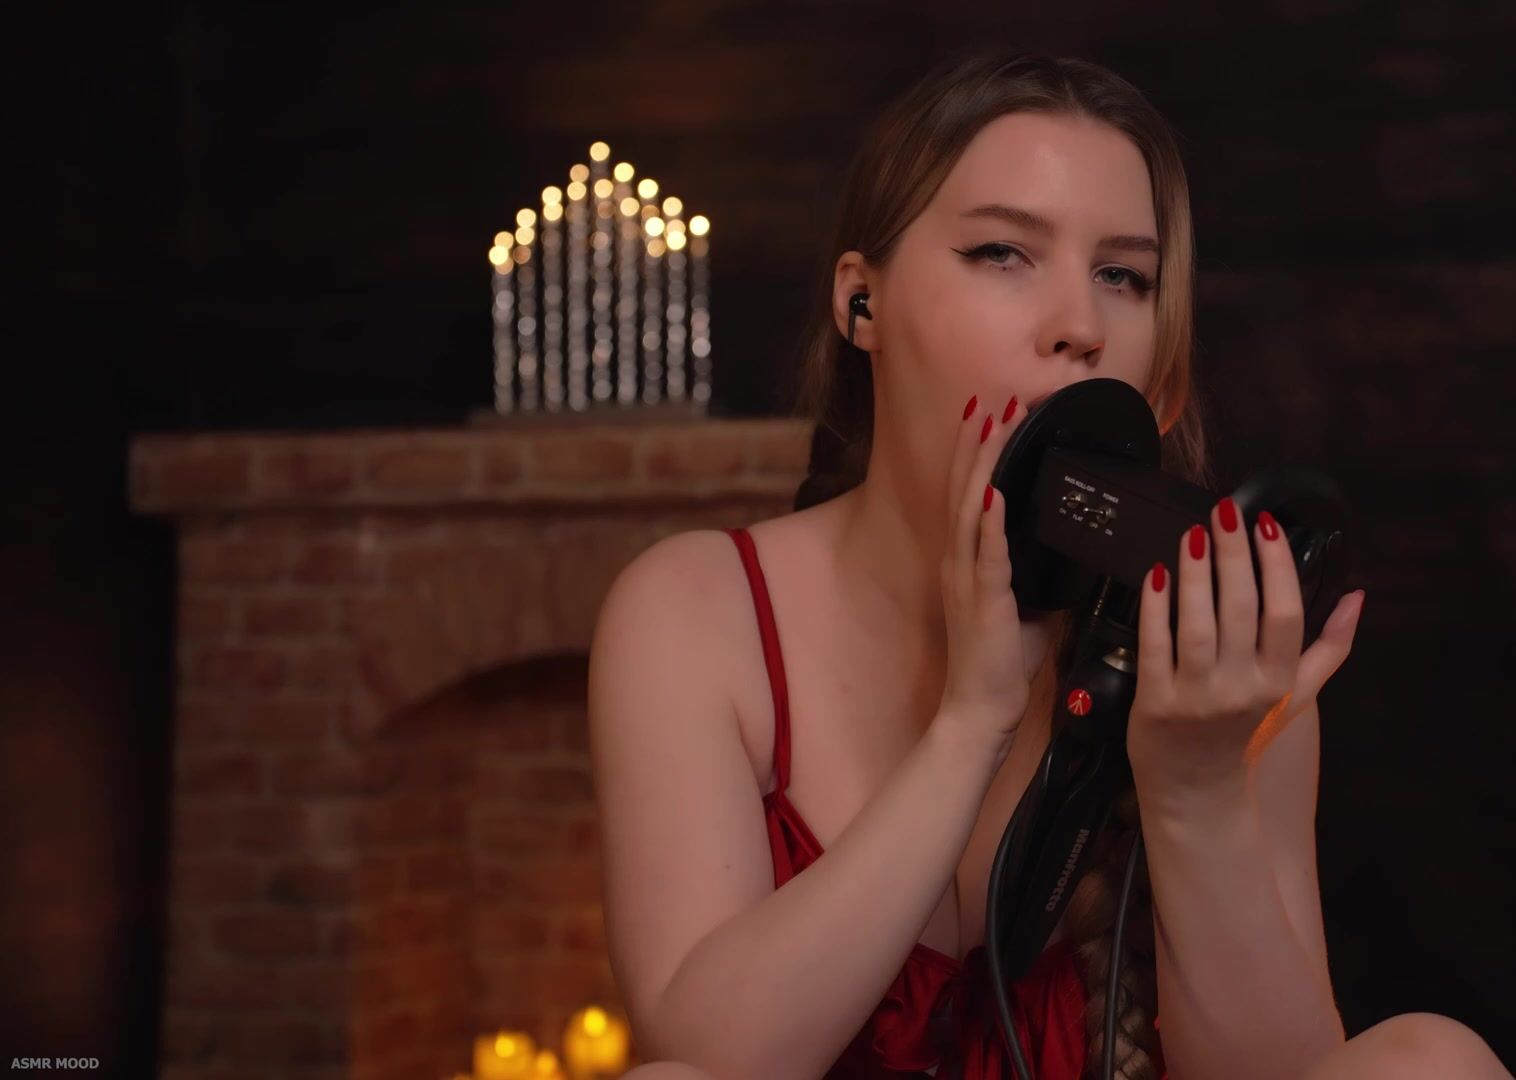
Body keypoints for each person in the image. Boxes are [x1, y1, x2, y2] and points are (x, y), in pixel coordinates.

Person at [587, 50, 1512, 1080]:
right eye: (1002, 253)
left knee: (1435, 1058)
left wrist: (1196, 787)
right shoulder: (694, 611)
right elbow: (706, 1054)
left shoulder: (1225, 647)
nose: (1080, 327)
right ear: (862, 306)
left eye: (1124, 277)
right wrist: (971, 726)